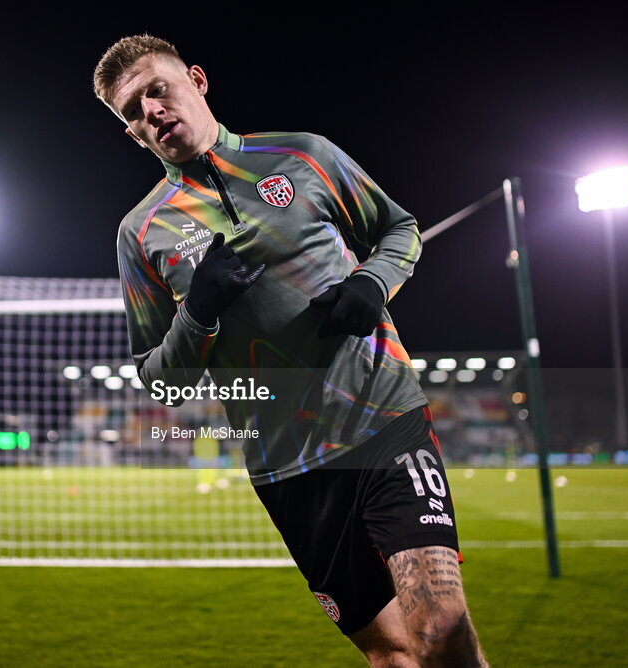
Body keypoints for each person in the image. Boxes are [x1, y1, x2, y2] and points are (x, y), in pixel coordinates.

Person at [95, 35, 488, 666]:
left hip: (381, 420)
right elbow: (158, 378)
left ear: (196, 80)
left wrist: (371, 281)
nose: (152, 112)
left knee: (441, 628)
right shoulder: (142, 231)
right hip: (288, 468)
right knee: (391, 655)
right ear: (133, 135)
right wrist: (198, 312)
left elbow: (400, 228)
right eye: (133, 112)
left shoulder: (301, 156)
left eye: (158, 90)